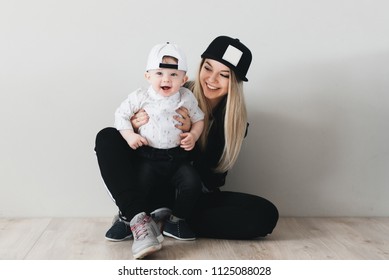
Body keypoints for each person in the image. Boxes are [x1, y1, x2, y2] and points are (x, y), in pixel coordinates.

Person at [95, 35, 279, 255]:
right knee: (107, 136)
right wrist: (133, 128)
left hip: (187, 195)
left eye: (224, 75)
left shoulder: (233, 123)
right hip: (147, 181)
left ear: (235, 82)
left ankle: (169, 222)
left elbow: (213, 178)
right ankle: (135, 216)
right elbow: (129, 140)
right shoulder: (174, 91)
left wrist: (193, 133)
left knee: (265, 214)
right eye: (208, 68)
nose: (212, 79)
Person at [100, 42, 205, 259]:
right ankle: (132, 219)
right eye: (159, 73)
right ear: (148, 76)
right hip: (148, 156)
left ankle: (176, 222)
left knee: (192, 183)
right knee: (140, 185)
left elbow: (199, 119)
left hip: (176, 157)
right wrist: (131, 135)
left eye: (173, 74)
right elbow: (120, 116)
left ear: (184, 79)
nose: (166, 79)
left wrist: (193, 135)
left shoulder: (186, 97)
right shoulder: (140, 97)